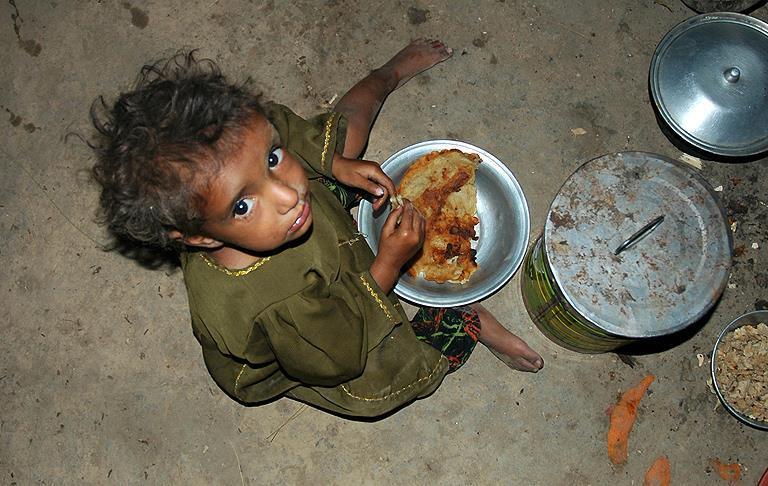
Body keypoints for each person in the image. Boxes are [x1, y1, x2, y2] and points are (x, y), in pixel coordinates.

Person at [90, 39, 543, 418]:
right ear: (200, 237)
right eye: (243, 204)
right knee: (386, 378)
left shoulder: (254, 174)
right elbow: (337, 354)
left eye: (271, 158)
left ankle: (384, 77)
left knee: (338, 140)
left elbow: (281, 127)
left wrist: (336, 163)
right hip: (322, 343)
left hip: (325, 254)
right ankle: (467, 323)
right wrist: (387, 262)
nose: (289, 194)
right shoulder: (274, 300)